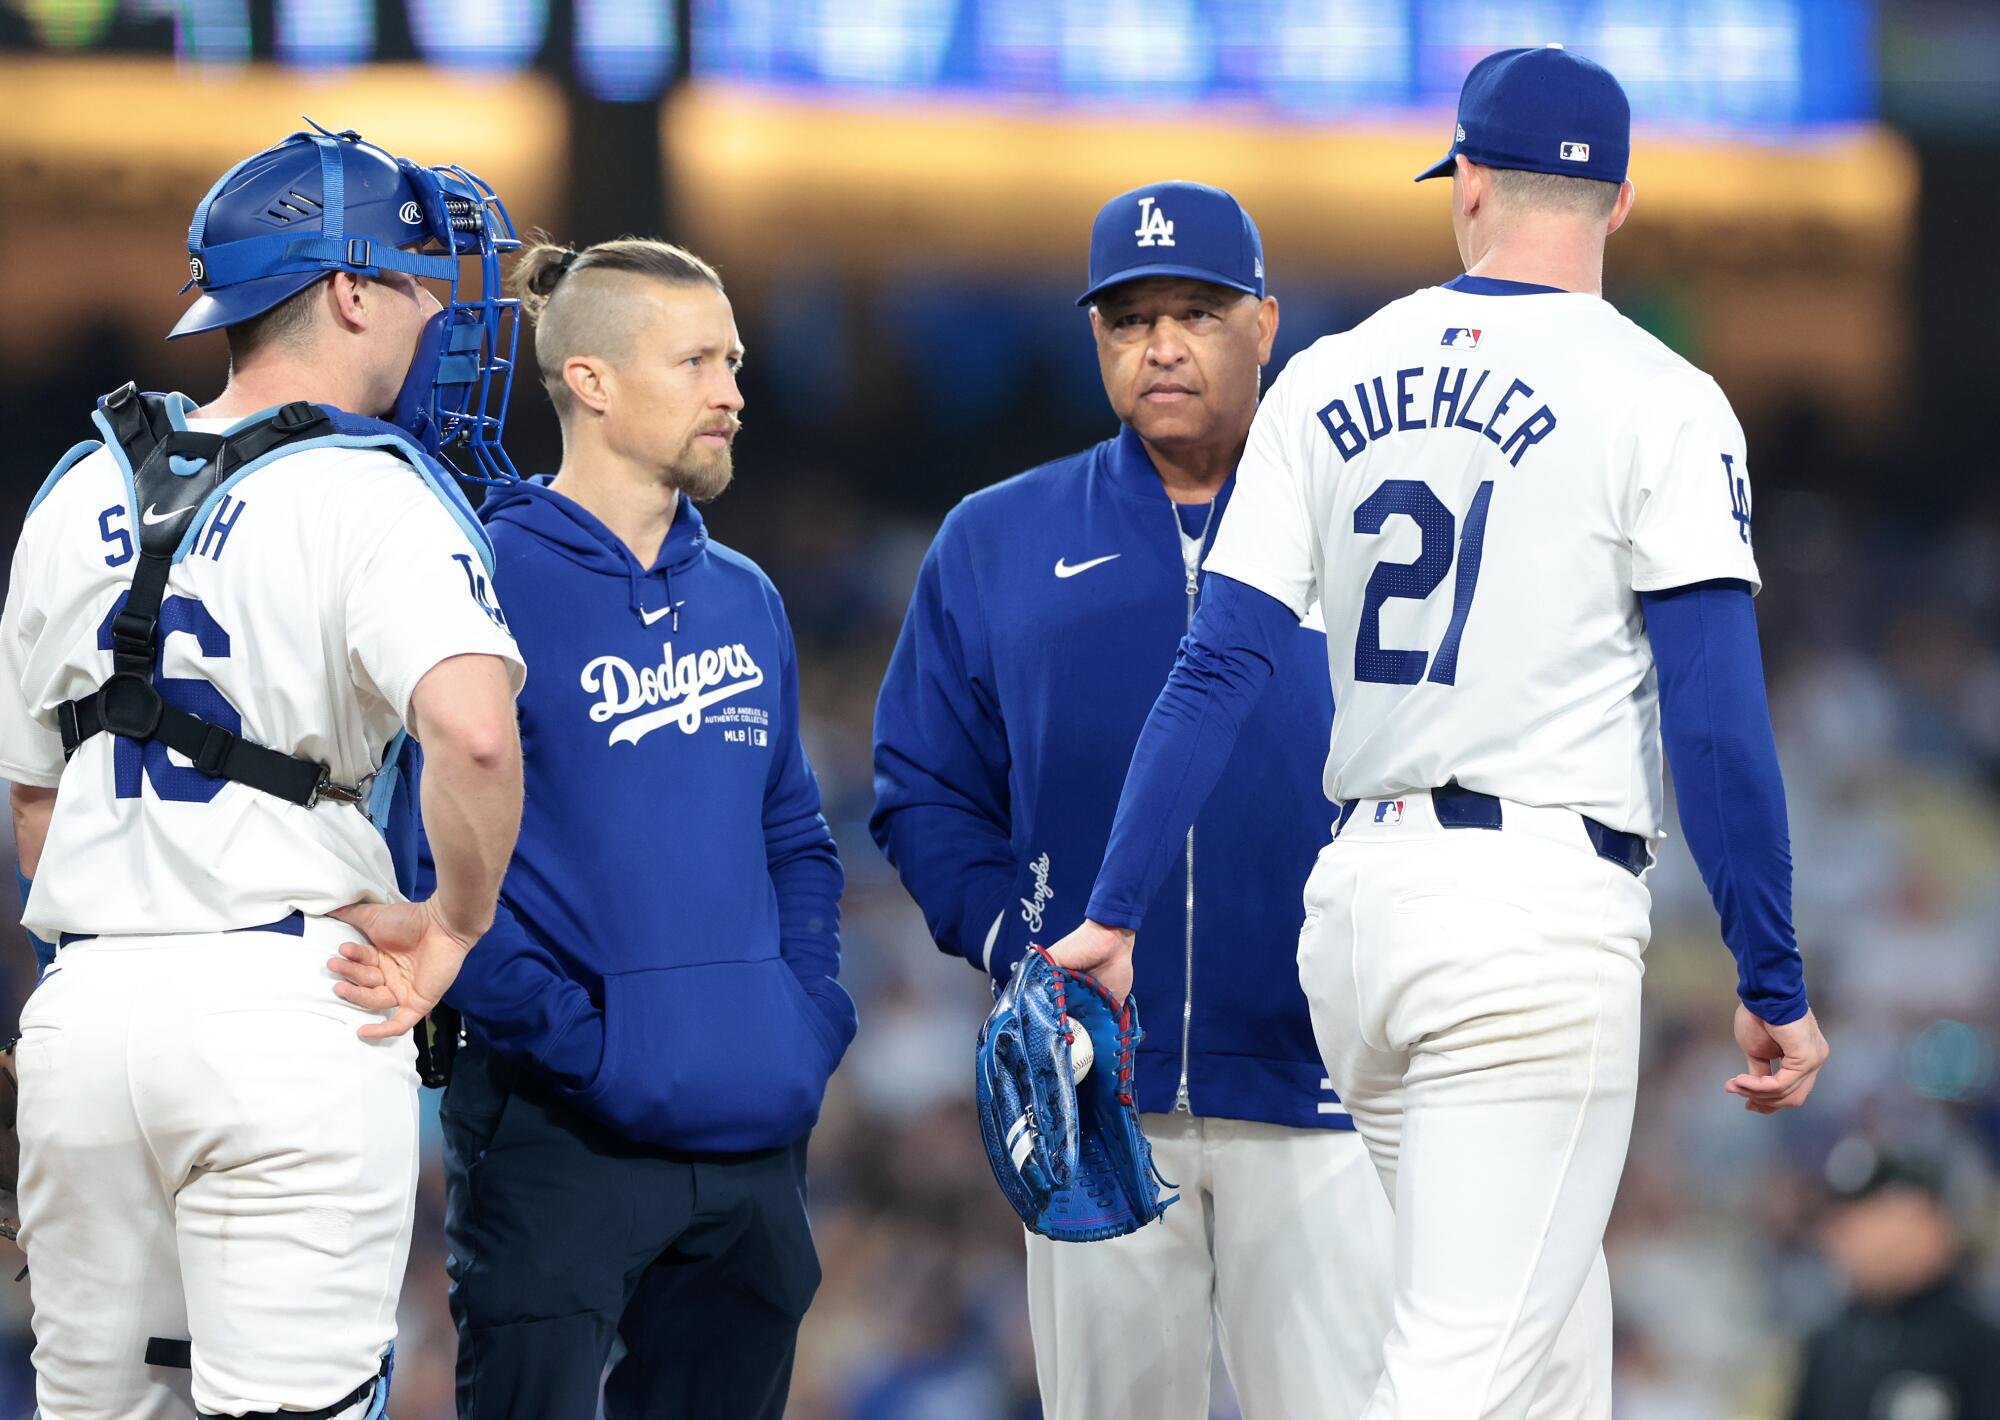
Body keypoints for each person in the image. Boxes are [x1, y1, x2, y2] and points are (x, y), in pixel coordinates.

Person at [1042, 45, 1831, 1420]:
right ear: (1621, 203)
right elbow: (1713, 716)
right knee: (1459, 1369)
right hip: (1528, 920)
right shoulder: (1658, 392)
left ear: (1467, 182)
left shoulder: (1333, 374)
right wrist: (1770, 970)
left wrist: (1111, 908)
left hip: (1361, 915)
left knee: (1548, 1346)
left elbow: (1217, 662)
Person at [0, 125, 526, 1420]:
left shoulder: (73, 491)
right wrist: (453, 927)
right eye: (413, 279)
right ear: (348, 289)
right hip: (288, 1007)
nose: (429, 313)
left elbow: (33, 810)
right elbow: (473, 733)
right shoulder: (367, 488)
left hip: (83, 1016)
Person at [872, 180, 1393, 1419]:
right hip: (1097, 1084)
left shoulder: (1370, 527)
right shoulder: (997, 536)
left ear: (1264, 324)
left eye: (1196, 312)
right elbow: (923, 786)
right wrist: (1018, 947)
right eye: (1128, 318)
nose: (1160, 343)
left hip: (1320, 1079)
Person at [374, 237, 855, 1420]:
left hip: (750, 1134)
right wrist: (589, 1048)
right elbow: (426, 863)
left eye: (732, 361)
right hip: (557, 1130)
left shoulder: (745, 592)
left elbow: (793, 833)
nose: (732, 392)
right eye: (695, 361)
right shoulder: (477, 574)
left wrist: (803, 1020)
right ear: (589, 380)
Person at [1788, 1139, 2000, 1420]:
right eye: (1841, 1221)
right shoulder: (1828, 1345)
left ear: (1927, 1220)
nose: (1846, 1237)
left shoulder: (1979, 1344)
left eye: (1866, 1217)